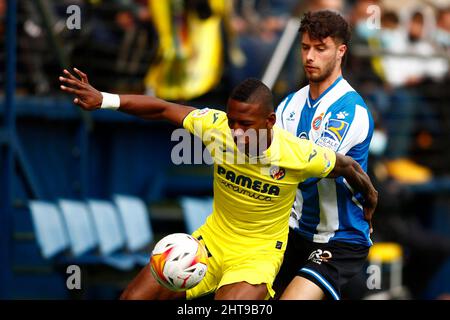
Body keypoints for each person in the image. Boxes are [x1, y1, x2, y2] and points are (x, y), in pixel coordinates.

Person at [59, 68, 378, 300]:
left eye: (246, 124)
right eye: (232, 121)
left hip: (257, 257)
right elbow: (162, 108)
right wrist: (105, 99)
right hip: (209, 242)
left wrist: (370, 198)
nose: (237, 132)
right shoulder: (215, 127)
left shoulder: (299, 154)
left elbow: (347, 166)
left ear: (270, 122)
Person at [273, 10, 375, 300]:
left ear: (341, 51)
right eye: (305, 47)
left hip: (340, 239)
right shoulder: (288, 106)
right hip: (295, 233)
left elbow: (318, 164)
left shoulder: (349, 109)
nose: (309, 57)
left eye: (320, 49)